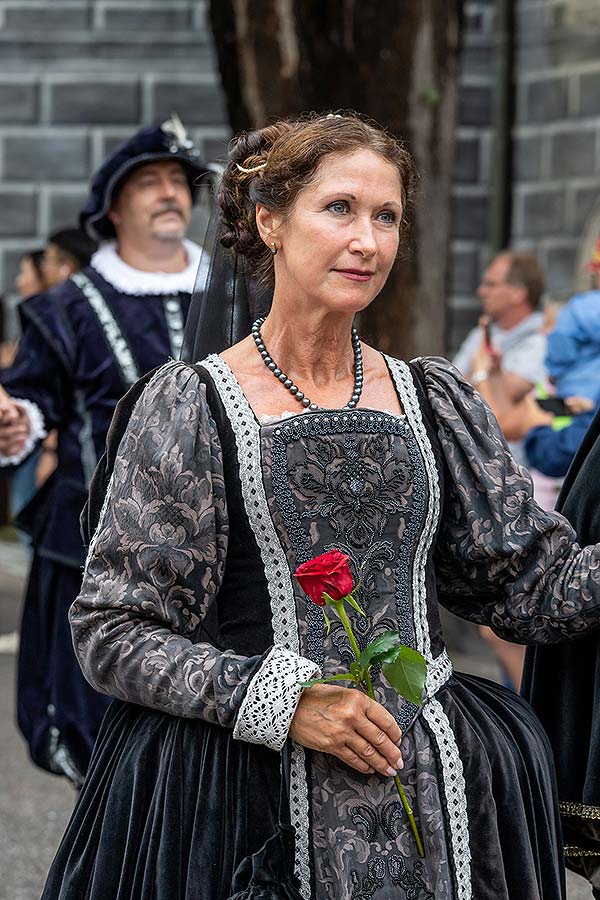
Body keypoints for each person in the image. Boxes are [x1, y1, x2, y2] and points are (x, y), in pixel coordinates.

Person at [40, 112, 600, 900]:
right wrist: (280, 701)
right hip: (238, 799)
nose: (367, 241)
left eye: (387, 217)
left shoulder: (435, 402)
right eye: (339, 208)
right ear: (269, 220)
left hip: (437, 788)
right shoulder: (192, 407)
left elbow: (530, 587)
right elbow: (111, 629)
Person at [0, 115, 208, 786]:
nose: (169, 191)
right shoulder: (67, 309)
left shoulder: (242, 295)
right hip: (97, 553)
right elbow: (32, 399)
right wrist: (17, 421)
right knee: (101, 739)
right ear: (113, 208)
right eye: (149, 182)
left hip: (223, 555)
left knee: (211, 747)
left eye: (177, 179)